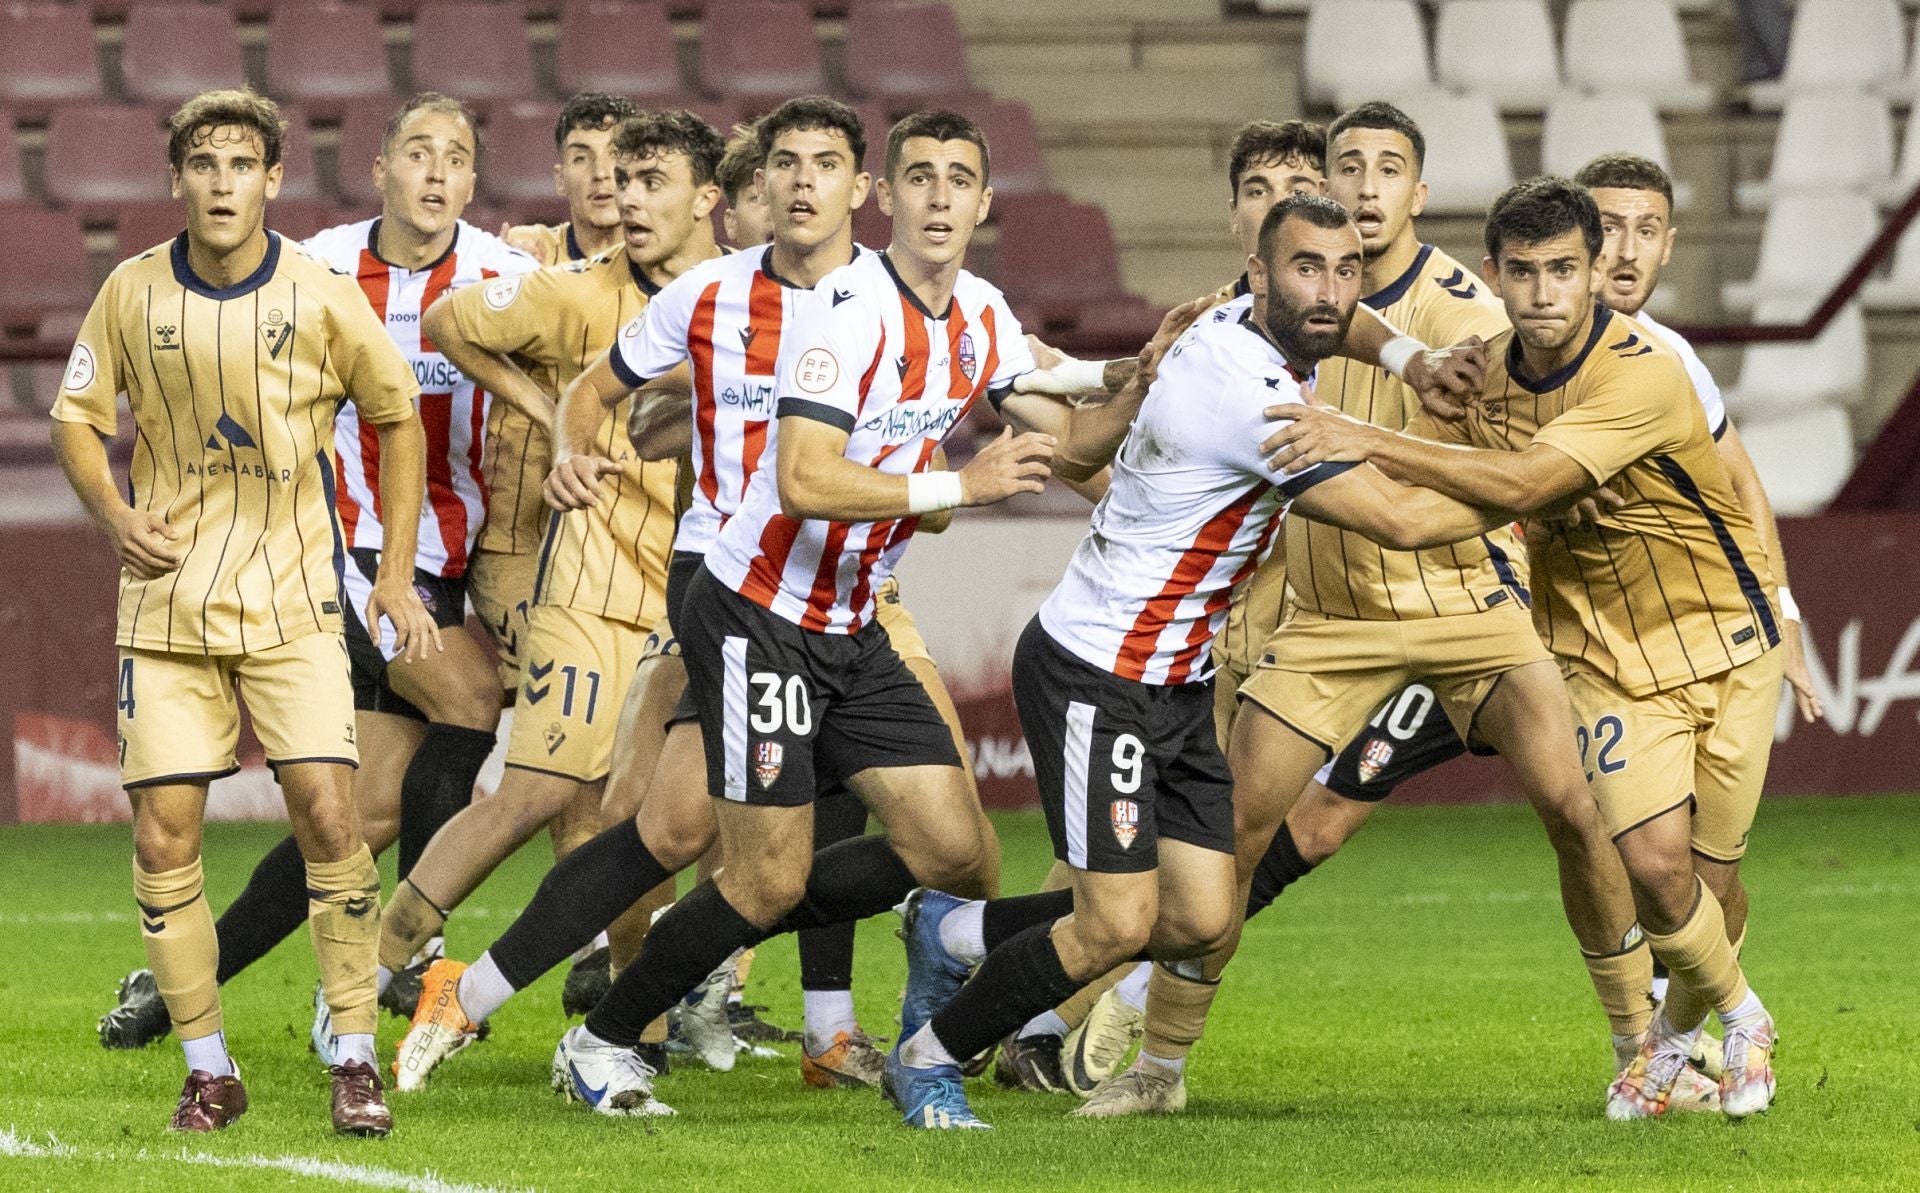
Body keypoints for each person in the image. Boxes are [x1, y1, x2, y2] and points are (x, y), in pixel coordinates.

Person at [884, 192, 1525, 1130]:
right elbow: (1398, 521)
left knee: (1198, 916)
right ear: (1258, 273)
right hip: (1101, 669)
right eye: (1308, 268)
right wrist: (1537, 483)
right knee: (1113, 922)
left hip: (1173, 681)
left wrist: (1407, 357)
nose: (1331, 292)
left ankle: (952, 929)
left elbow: (1340, 328)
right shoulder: (1251, 396)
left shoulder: (1238, 321)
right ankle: (929, 1058)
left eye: (1348, 271)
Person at [1265, 175, 1785, 1121]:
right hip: (1599, 651)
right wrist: (1287, 471)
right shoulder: (1479, 377)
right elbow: (1425, 515)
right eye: (1525, 273)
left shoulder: (1645, 370)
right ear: (1495, 277)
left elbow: (1527, 478)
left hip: (1723, 639)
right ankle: (1744, 1018)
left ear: (1592, 275)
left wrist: (1363, 436)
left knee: (1712, 880)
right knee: (1654, 864)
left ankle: (1670, 1047)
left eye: (1564, 271)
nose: (1545, 293)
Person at [51, 87, 435, 1134]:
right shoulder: (130, 292)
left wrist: (393, 576)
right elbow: (77, 418)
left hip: (291, 598)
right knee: (165, 833)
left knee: (328, 812)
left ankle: (354, 1051)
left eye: (241, 165)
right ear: (178, 179)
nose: (222, 183)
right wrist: (114, 511)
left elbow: (397, 413)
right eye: (203, 164)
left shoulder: (318, 294)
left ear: (273, 179)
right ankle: (209, 1066)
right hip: (167, 604)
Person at [369, 111, 722, 1077]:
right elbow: (446, 324)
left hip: (705, 593)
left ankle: (639, 1027)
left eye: (649, 180)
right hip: (594, 584)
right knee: (540, 791)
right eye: (619, 178)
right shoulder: (575, 293)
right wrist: (549, 414)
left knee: (665, 822)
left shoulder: (749, 297)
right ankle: (376, 971)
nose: (626, 197)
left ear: (708, 200)